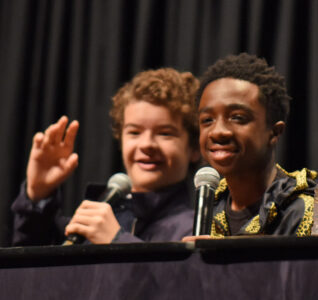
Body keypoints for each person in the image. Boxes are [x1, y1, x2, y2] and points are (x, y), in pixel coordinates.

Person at [11, 68, 201, 245]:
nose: (146, 144)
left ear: (194, 148)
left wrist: (117, 241)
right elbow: (29, 268)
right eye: (134, 132)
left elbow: (175, 282)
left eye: (165, 133)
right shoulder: (91, 225)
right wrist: (38, 195)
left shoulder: (194, 231)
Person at [189, 53, 316, 238]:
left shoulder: (303, 211)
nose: (218, 132)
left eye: (237, 117)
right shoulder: (211, 206)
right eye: (207, 120)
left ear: (275, 132)